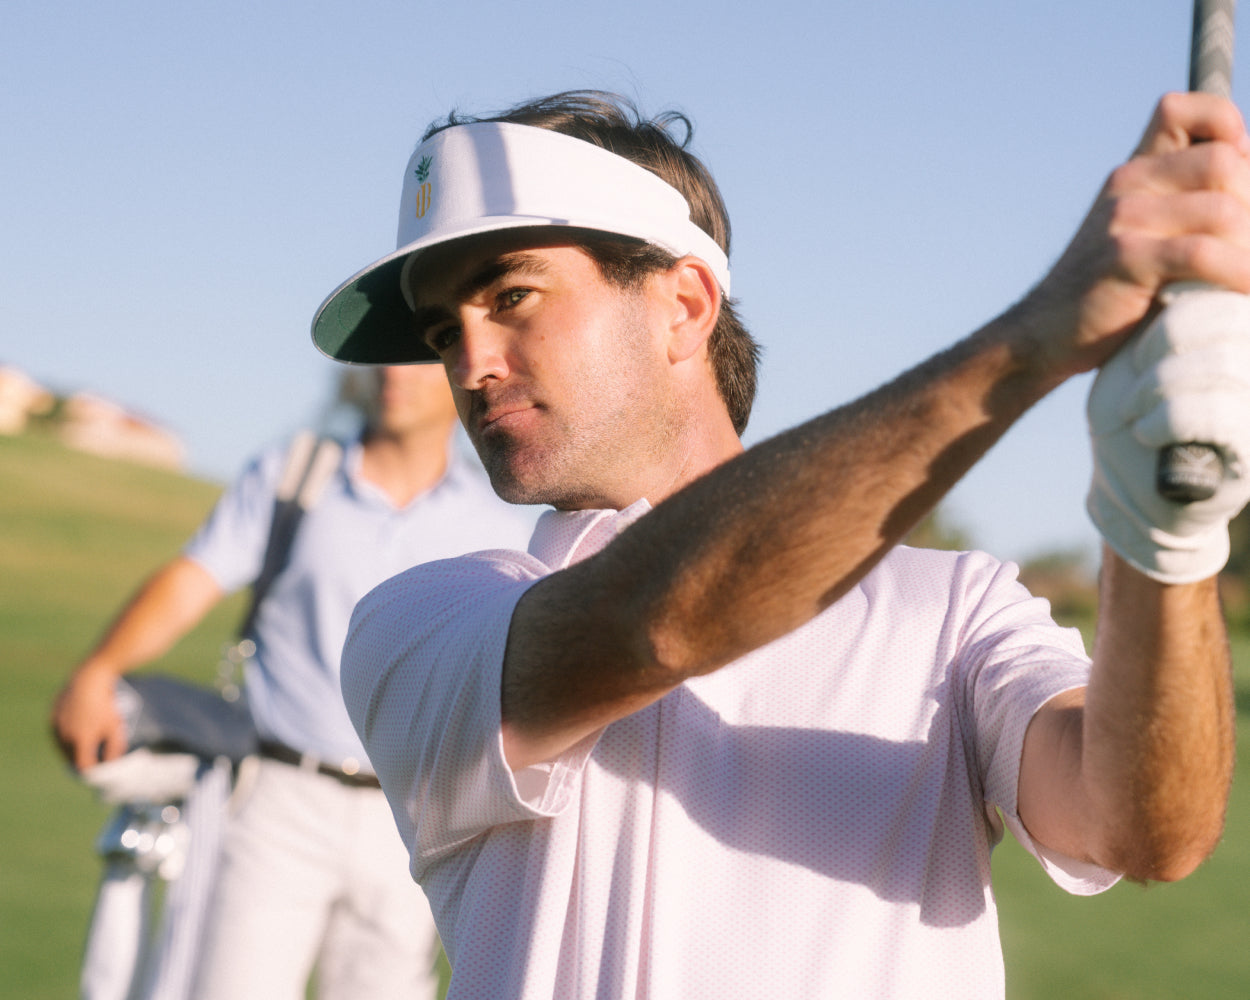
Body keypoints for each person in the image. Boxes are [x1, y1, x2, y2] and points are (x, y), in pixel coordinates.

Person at [311, 90, 1250, 998]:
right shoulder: (425, 618)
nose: (469, 366)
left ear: (683, 305)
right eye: (445, 331)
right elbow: (665, 621)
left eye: (511, 295)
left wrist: (1161, 532)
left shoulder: (958, 607)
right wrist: (1041, 337)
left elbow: (1141, 828)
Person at [50, 364, 534, 1000]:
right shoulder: (295, 474)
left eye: (417, 353)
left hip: (414, 816)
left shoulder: (498, 518)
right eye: (380, 354)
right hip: (275, 802)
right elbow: (190, 581)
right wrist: (97, 672)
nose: (392, 371)